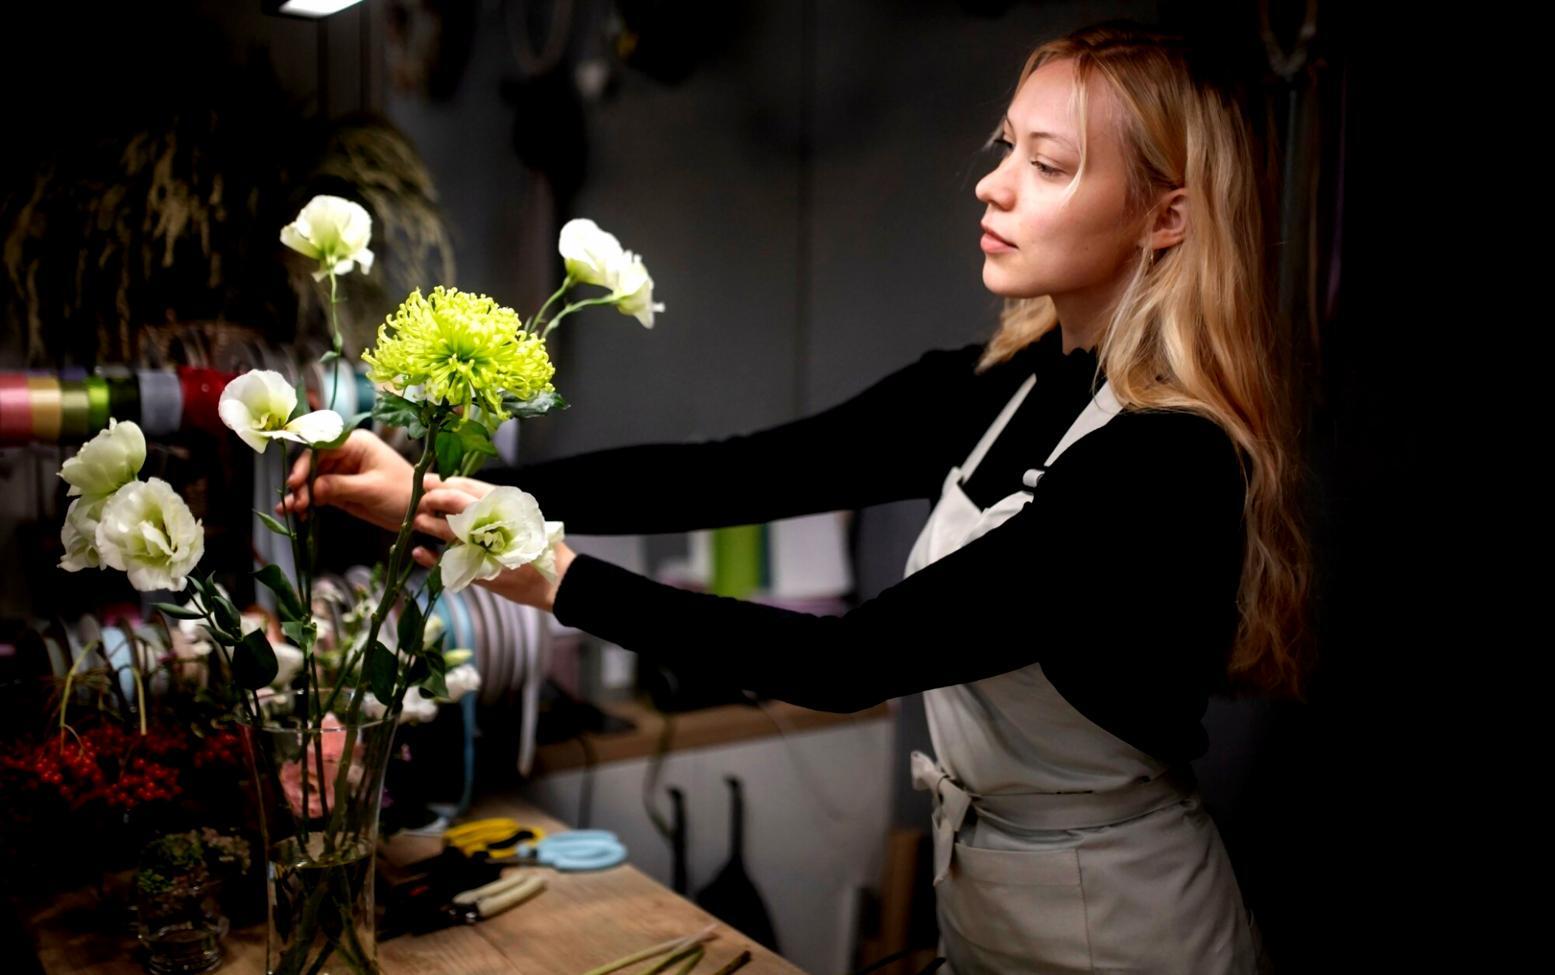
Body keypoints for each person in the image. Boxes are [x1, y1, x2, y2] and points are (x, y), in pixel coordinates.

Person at [282, 20, 1311, 974]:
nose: (991, 188)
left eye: (1046, 165)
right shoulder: (999, 387)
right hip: (985, 896)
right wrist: (452, 486)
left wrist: (557, 578)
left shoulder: (1165, 462)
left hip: (1124, 932)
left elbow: (847, 664)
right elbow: (735, 472)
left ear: (1166, 216)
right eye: (1005, 149)